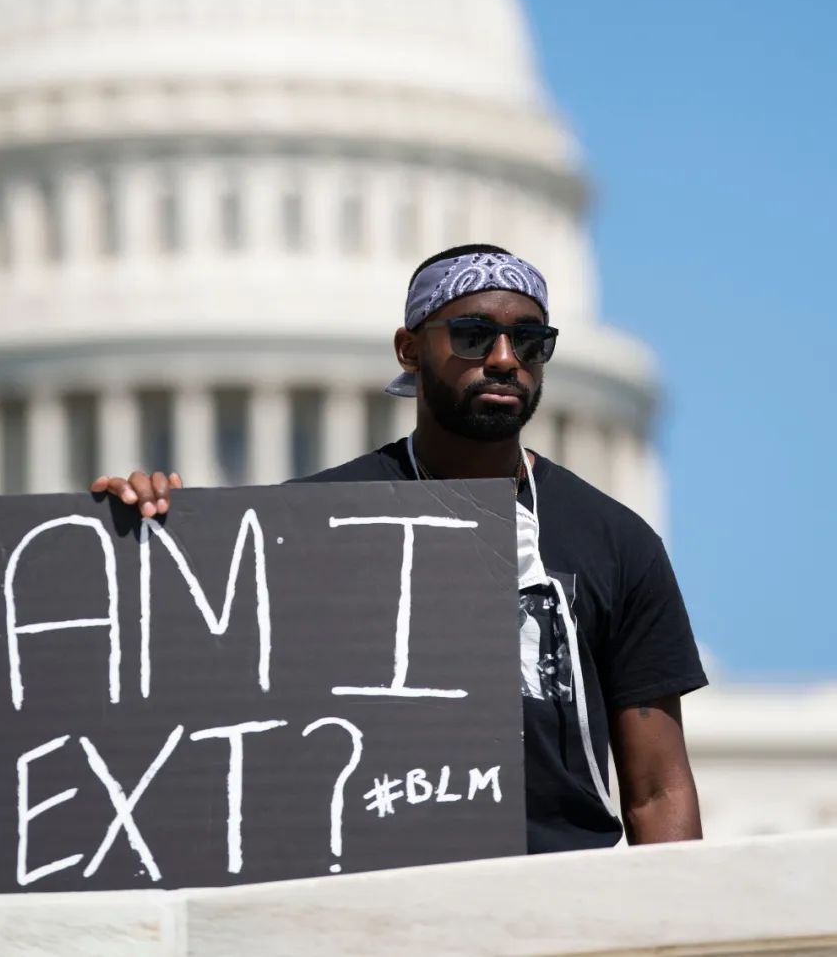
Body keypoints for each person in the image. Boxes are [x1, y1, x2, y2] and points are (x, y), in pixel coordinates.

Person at [93, 243, 707, 854]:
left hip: (559, 903)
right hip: (371, 898)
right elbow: (189, 708)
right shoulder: (303, 522)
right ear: (410, 350)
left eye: (529, 341)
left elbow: (657, 790)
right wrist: (137, 531)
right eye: (472, 335)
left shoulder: (617, 542)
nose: (503, 359)